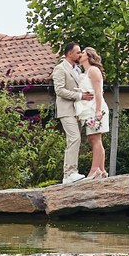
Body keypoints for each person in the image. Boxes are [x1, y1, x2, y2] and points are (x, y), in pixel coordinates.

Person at [52, 46, 88, 182]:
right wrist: (80, 96)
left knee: (74, 139)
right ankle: (69, 173)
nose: (80, 54)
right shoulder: (60, 69)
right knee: (74, 138)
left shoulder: (78, 70)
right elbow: (59, 90)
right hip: (66, 110)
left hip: (77, 110)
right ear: (69, 53)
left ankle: (70, 173)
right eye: (78, 52)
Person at [78, 48, 110, 178]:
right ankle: (102, 170)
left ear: (89, 56)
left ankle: (94, 169)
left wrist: (98, 110)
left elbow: (98, 91)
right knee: (95, 139)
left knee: (95, 138)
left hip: (96, 108)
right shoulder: (85, 72)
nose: (80, 54)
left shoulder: (93, 70)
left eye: (83, 53)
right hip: (88, 108)